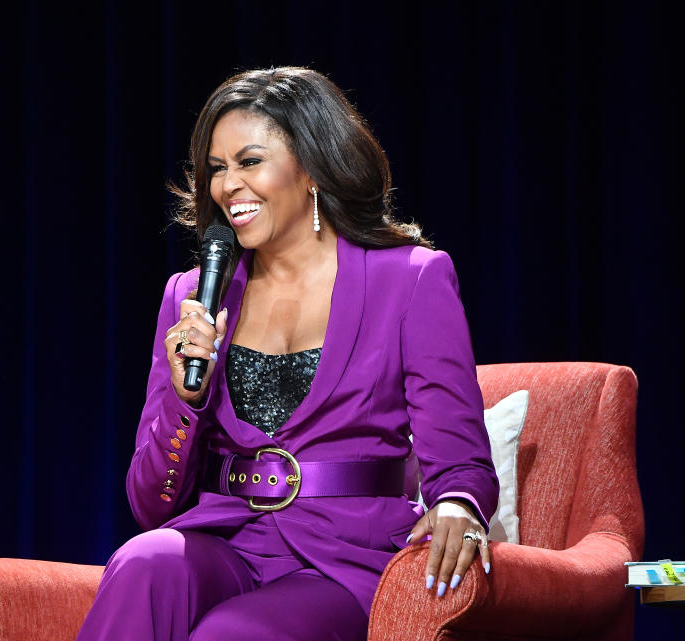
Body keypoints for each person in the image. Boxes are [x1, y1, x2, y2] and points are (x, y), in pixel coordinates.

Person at [75, 67, 498, 641]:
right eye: (217, 169)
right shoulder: (192, 294)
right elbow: (152, 505)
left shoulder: (412, 279)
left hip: (345, 556)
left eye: (249, 162)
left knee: (234, 634)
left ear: (313, 169)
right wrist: (186, 397)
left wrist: (458, 504)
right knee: (143, 563)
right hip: (227, 540)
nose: (227, 186)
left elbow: (461, 462)